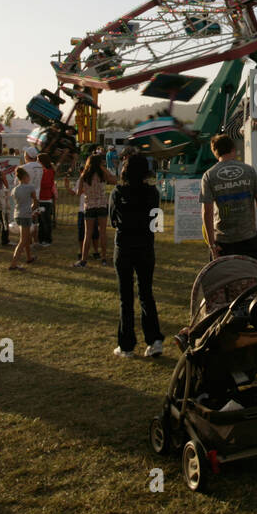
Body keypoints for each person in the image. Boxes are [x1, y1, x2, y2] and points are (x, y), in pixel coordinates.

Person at [108, 153, 165, 359]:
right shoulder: (153, 193)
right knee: (146, 293)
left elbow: (113, 220)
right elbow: (156, 222)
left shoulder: (118, 191)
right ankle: (154, 340)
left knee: (126, 296)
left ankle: (126, 345)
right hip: (145, 246)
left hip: (124, 245)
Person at [200, 134, 257, 262]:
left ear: (215, 152)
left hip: (223, 241)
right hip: (248, 238)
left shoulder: (209, 175)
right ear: (233, 148)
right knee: (252, 278)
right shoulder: (249, 170)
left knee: (224, 280)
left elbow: (207, 212)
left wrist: (211, 244)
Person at [74, 155, 115, 267]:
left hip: (89, 206)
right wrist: (103, 168)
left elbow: (78, 193)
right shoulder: (103, 175)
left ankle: (84, 260)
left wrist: (87, 190)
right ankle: (104, 258)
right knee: (102, 233)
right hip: (102, 205)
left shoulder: (84, 176)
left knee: (88, 234)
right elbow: (114, 179)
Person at [8, 167, 37, 270]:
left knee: (26, 237)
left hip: (17, 214)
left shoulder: (14, 189)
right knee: (23, 240)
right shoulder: (30, 187)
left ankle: (29, 257)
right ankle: (14, 263)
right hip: (26, 215)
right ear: (25, 177)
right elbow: (35, 201)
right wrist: (32, 210)